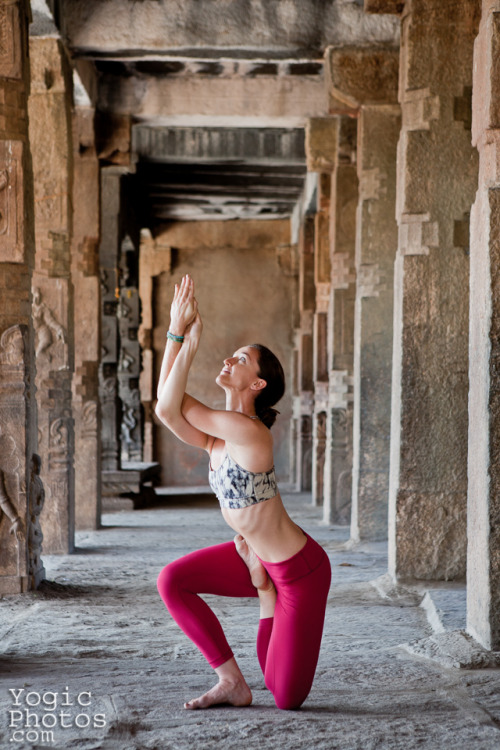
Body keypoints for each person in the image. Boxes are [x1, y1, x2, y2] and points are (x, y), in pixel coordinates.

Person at [155, 275, 331, 711]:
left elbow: (168, 404)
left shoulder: (250, 433)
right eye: (231, 356)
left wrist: (186, 339)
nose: (230, 362)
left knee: (285, 695)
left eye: (241, 360)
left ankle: (264, 590)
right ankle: (231, 681)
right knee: (172, 581)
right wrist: (176, 333)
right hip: (255, 552)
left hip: (298, 572)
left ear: (257, 385)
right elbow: (165, 409)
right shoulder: (216, 440)